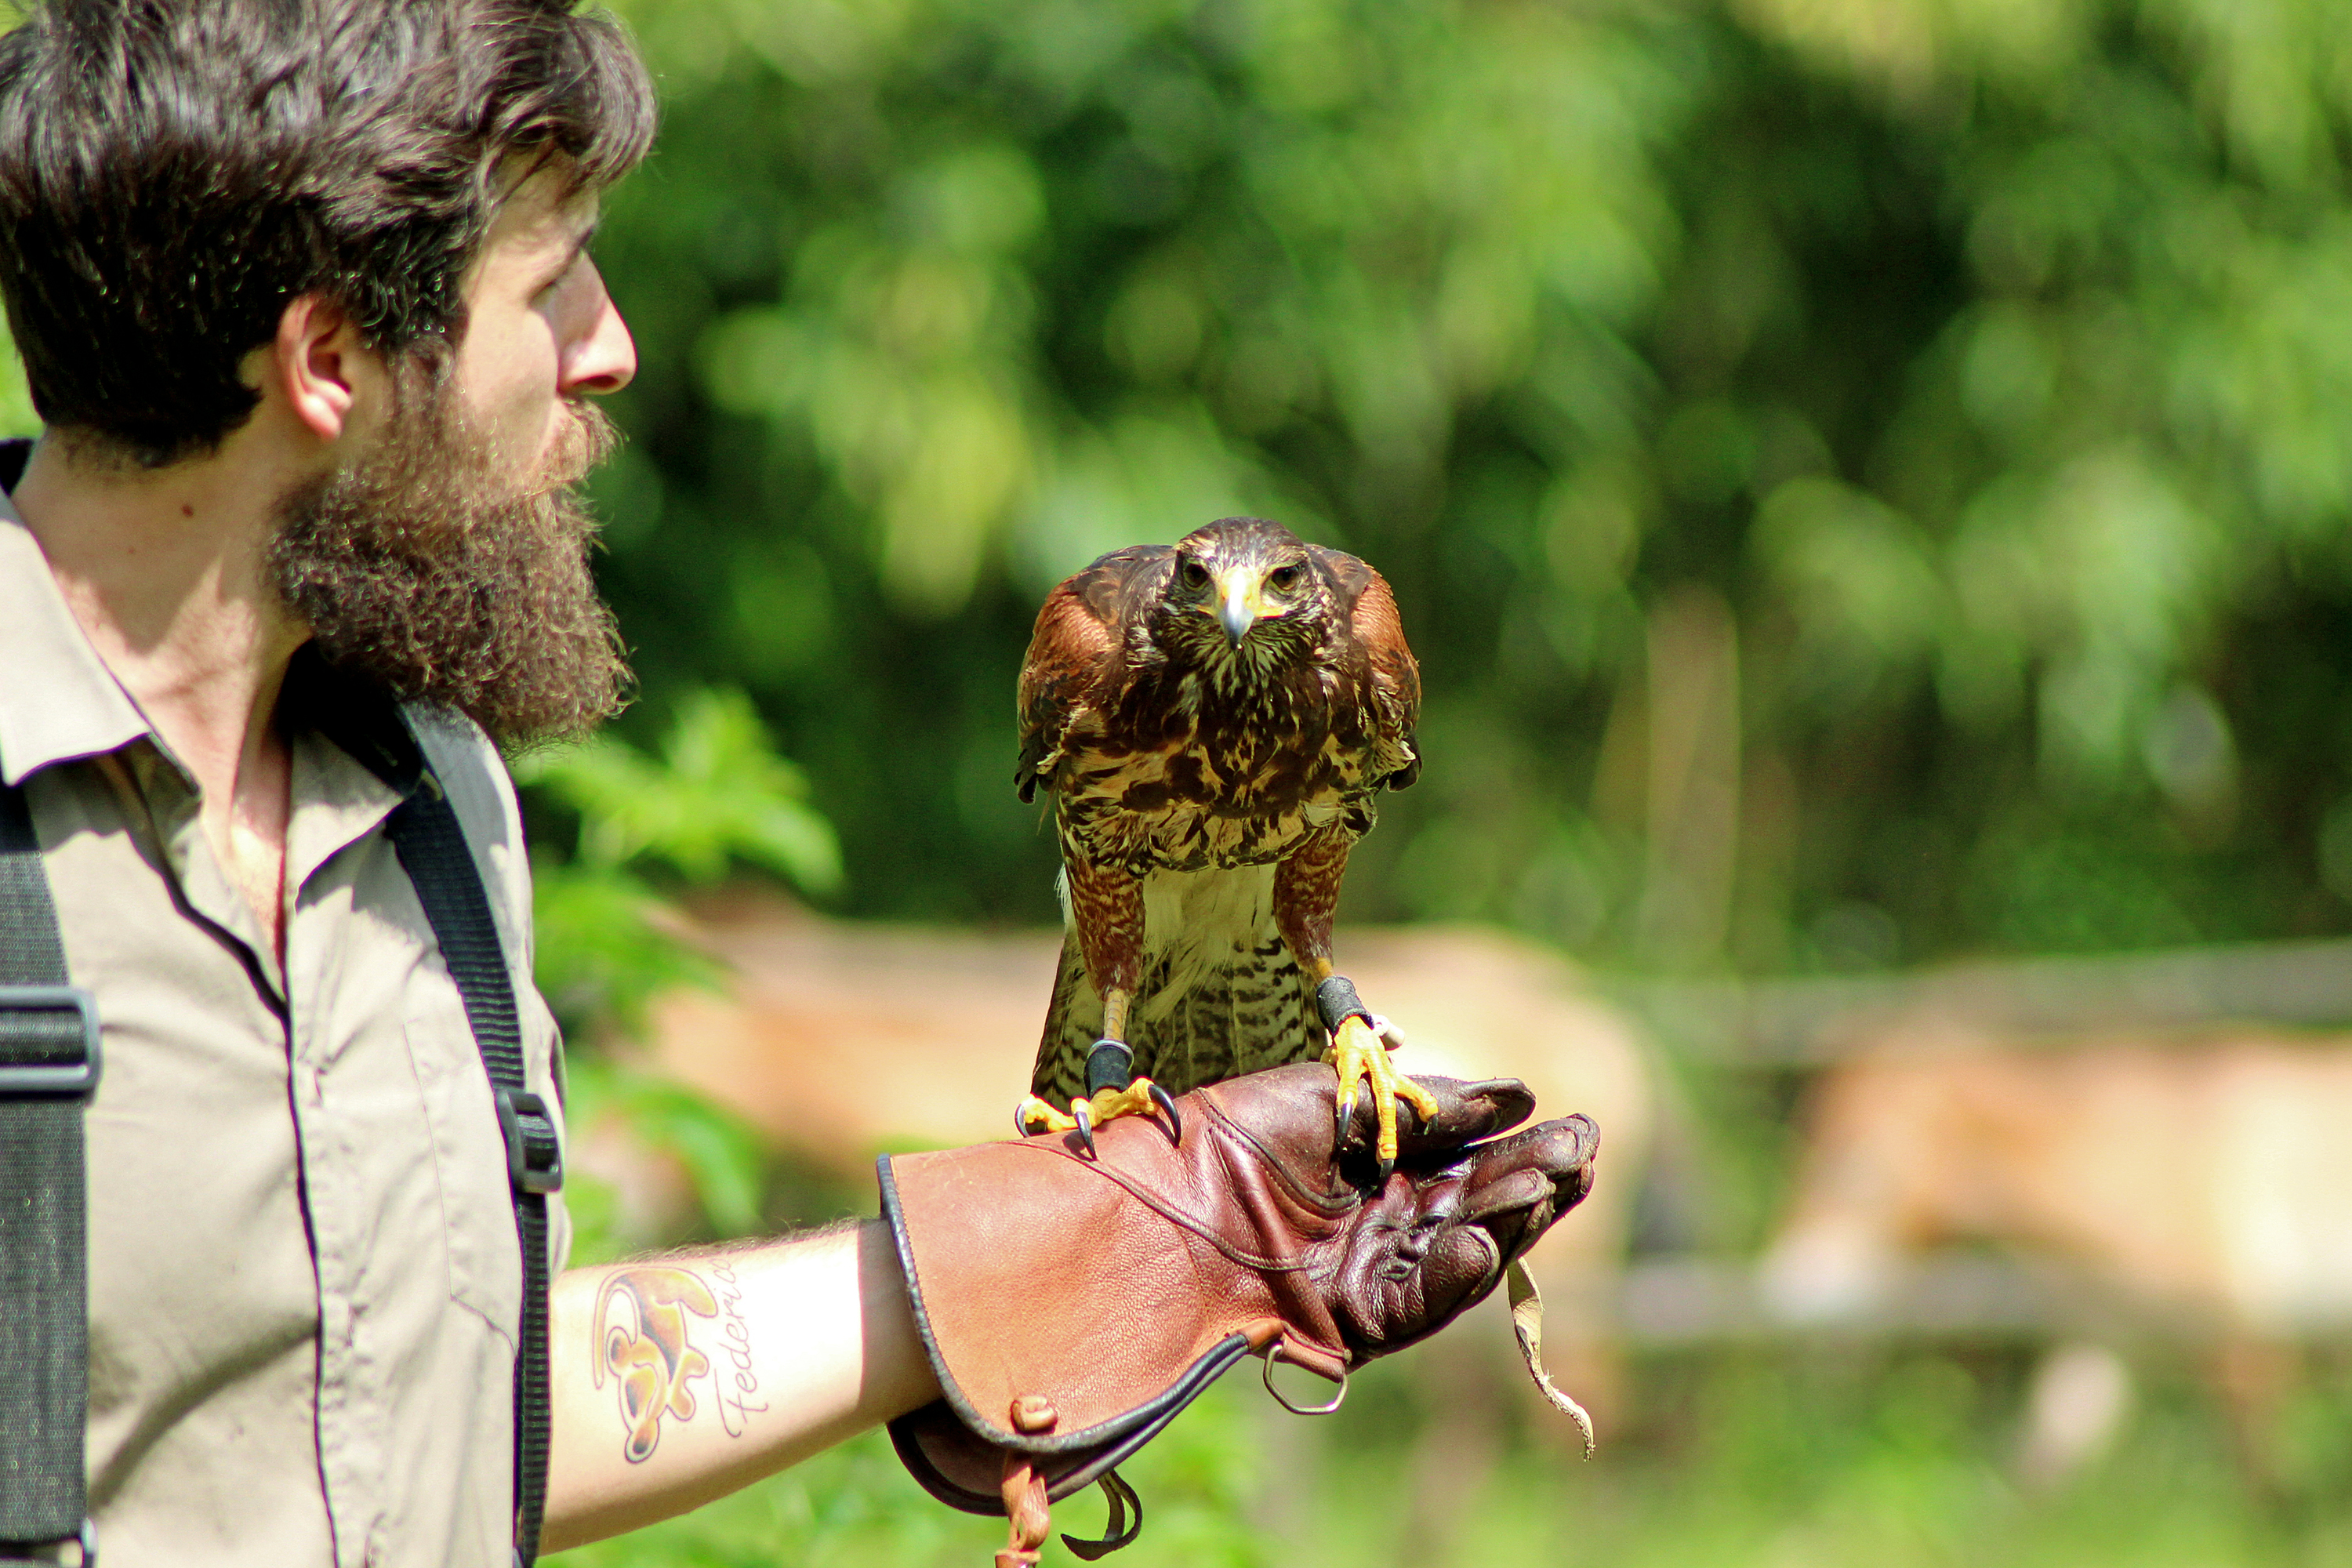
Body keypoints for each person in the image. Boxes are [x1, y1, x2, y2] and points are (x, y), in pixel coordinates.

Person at [0, 3, 1597, 1565]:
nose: (613, 348)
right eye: (554, 286)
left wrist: (1093, 1246)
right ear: (330, 356)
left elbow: (471, 1412)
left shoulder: (418, 795)